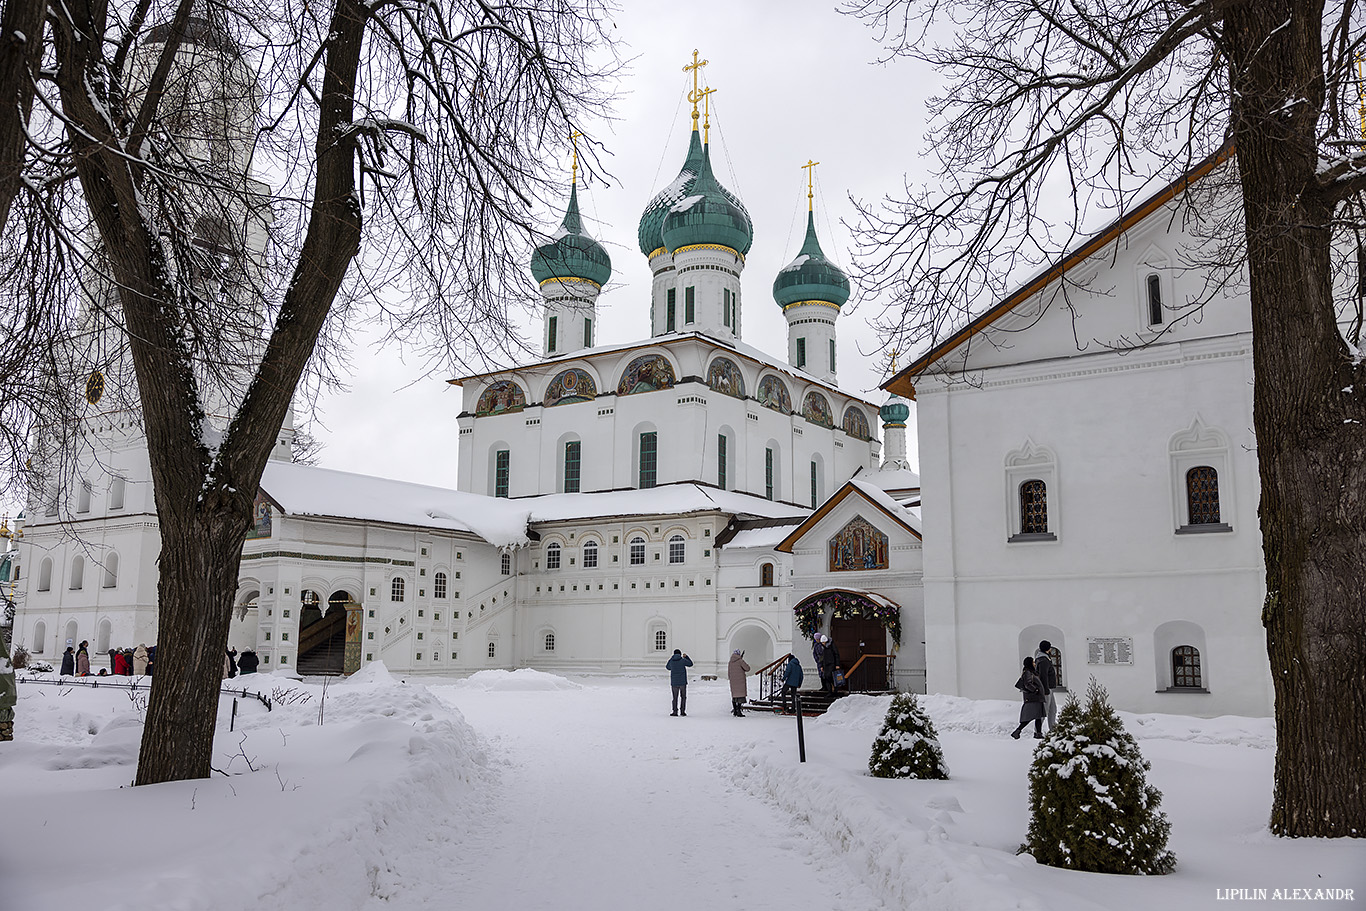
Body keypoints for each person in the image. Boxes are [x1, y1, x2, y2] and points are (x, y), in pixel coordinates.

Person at [1010, 656, 1047, 740]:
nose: (1034, 664)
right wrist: (1036, 690)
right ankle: (1017, 731)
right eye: (1033, 662)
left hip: (1036, 698)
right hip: (1033, 698)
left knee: (1038, 716)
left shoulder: (1032, 672)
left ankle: (1038, 733)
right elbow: (1027, 683)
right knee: (1030, 716)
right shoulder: (1028, 672)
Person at [1034, 640, 1059, 731]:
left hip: (1049, 688)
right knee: (1044, 711)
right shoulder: (1043, 660)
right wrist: (1046, 690)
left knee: (1053, 709)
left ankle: (1053, 729)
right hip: (1046, 689)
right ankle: (1038, 731)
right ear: (1048, 648)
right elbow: (1043, 675)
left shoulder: (1044, 658)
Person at [665, 648, 693, 716]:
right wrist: (686, 657)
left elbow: (668, 667)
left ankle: (675, 711)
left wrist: (671, 658)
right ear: (680, 654)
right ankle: (682, 711)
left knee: (675, 698)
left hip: (674, 682)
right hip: (682, 682)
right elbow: (690, 664)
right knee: (683, 697)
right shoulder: (683, 660)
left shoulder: (671, 661)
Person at [727, 649, 751, 717]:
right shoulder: (740, 661)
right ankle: (739, 711)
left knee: (734, 696)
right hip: (740, 681)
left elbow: (729, 673)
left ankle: (735, 710)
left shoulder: (730, 662)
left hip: (733, 681)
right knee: (740, 696)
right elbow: (747, 668)